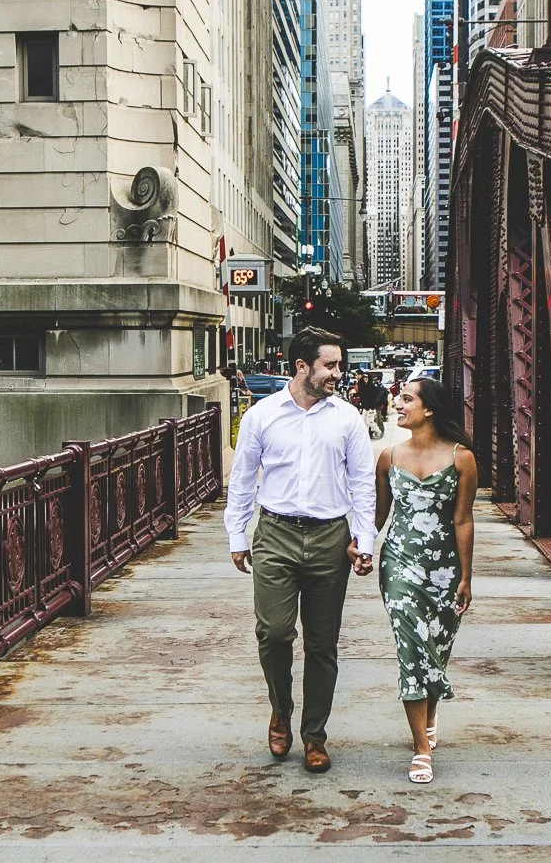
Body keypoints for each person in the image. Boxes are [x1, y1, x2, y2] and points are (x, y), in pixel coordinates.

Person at [224, 327, 377, 774]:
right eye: (330, 365)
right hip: (275, 533)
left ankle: (314, 735)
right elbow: (243, 477)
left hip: (331, 537)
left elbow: (362, 485)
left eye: (339, 365)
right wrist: (237, 535)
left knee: (322, 643)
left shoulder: (346, 418)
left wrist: (363, 540)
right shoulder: (262, 416)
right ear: (301, 367)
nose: (337, 373)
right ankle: (280, 710)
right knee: (273, 633)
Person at [374, 377, 477, 784]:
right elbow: (378, 517)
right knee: (412, 648)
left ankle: (430, 715)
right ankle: (420, 748)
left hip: (446, 569)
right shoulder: (388, 457)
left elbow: (463, 519)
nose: (398, 405)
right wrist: (358, 547)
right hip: (399, 565)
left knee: (436, 646)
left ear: (429, 409)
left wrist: (466, 576)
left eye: (407, 399)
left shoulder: (461, 458)